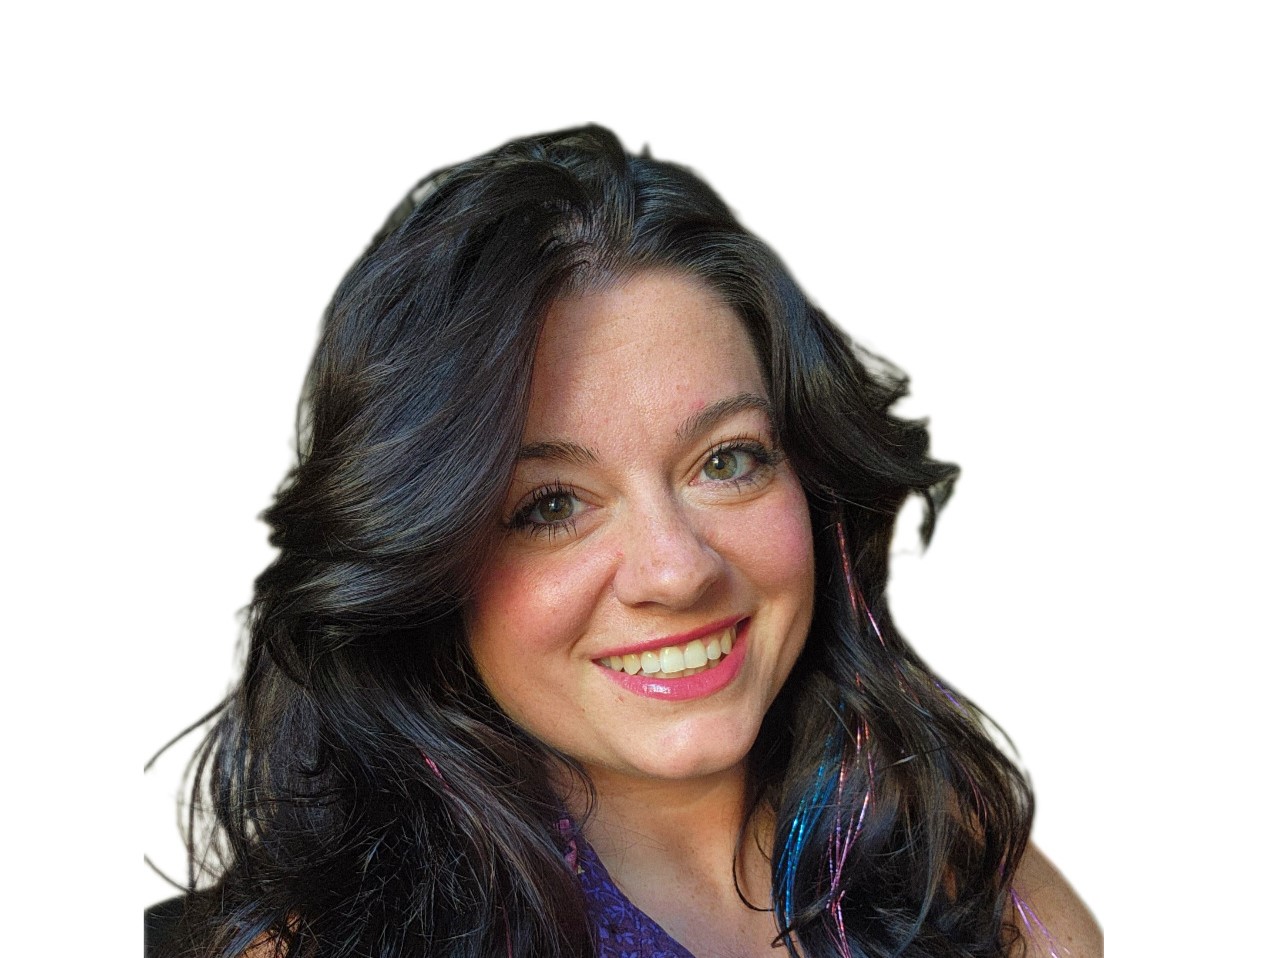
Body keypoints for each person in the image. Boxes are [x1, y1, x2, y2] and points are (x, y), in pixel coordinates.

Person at [147, 125, 1100, 958]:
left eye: (727, 460)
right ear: (422, 562)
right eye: (550, 506)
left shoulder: (965, 866)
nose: (677, 570)